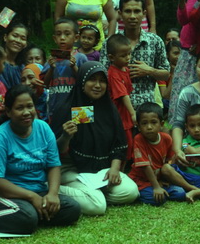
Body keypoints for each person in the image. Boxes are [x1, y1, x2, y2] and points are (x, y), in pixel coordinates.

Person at [0, 86, 82, 235]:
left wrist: (52, 194)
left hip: (37, 191)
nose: (26, 112)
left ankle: (23, 216)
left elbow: (53, 166)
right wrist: (31, 196)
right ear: (8, 112)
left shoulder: (43, 128)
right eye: (19, 108)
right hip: (4, 195)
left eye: (30, 106)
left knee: (72, 209)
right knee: (28, 218)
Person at [50, 61, 139, 214]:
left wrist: (114, 168)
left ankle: (90, 194)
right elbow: (54, 151)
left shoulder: (109, 110)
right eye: (92, 79)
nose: (98, 85)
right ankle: (51, 189)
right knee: (98, 206)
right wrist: (66, 136)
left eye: (102, 80)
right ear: (82, 81)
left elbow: (119, 145)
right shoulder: (67, 108)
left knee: (131, 192)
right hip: (72, 169)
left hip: (99, 171)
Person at [128, 103, 190, 205]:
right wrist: (156, 186)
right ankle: (146, 193)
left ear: (161, 124)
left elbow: (169, 161)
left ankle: (161, 190)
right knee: (157, 200)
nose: (149, 127)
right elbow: (145, 166)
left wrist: (164, 179)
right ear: (138, 126)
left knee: (180, 193)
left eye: (153, 122)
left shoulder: (166, 138)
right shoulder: (138, 140)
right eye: (144, 123)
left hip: (158, 180)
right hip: (142, 181)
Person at [118, 0, 171, 106]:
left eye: (137, 11)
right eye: (128, 11)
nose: (132, 16)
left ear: (144, 13)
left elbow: (166, 74)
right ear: (120, 14)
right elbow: (105, 76)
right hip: (119, 106)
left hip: (148, 109)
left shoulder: (155, 41)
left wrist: (149, 70)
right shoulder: (111, 43)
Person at [104, 33, 137, 133]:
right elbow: (123, 95)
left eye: (129, 54)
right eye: (123, 55)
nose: (128, 58)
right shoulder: (113, 74)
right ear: (111, 57)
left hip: (125, 113)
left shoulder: (125, 69)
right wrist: (133, 113)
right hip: (120, 116)